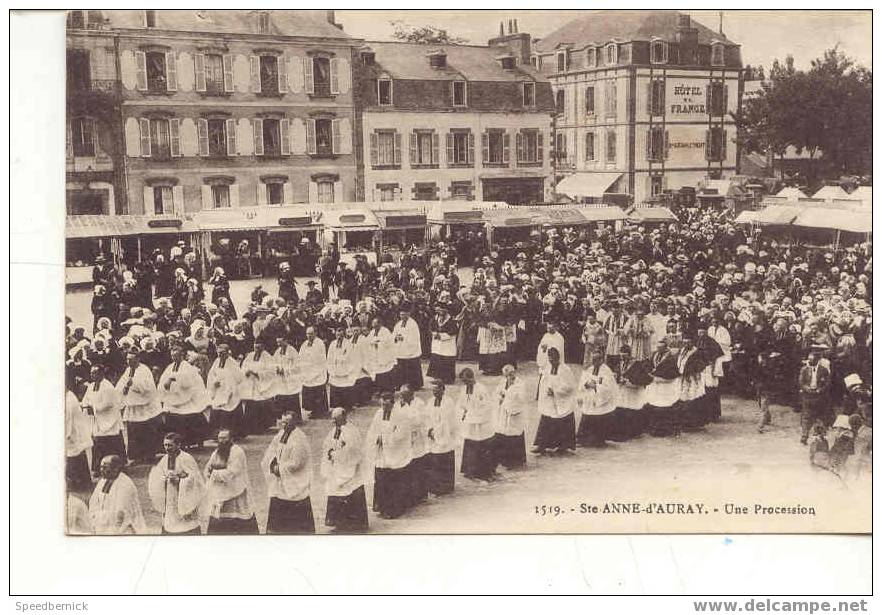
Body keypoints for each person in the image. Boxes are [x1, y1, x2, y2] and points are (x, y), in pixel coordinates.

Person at [262, 411, 315, 534]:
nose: (283, 426)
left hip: (294, 479)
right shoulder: (281, 433)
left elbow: (297, 463)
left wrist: (279, 468)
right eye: (282, 422)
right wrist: (272, 463)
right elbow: (272, 450)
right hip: (280, 478)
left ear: (294, 423)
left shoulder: (299, 439)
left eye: (287, 423)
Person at [147, 433, 205, 535]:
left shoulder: (187, 458)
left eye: (170, 445)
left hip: (183, 496)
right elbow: (158, 475)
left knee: (185, 525)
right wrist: (163, 479)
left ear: (178, 445)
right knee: (170, 522)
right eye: (165, 445)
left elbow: (196, 480)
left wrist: (179, 480)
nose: (167, 448)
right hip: (170, 496)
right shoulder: (165, 458)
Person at [366, 391, 412, 519]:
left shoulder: (401, 416)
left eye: (386, 405)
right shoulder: (378, 414)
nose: (384, 408)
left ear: (392, 403)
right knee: (381, 480)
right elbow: (372, 430)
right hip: (381, 453)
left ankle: (394, 509)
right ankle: (382, 507)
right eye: (382, 405)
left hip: (395, 453)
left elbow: (401, 434)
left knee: (393, 482)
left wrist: (385, 439)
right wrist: (377, 439)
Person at [321, 408, 369, 533]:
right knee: (335, 490)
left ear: (343, 417)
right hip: (336, 467)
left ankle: (354, 524)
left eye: (336, 419)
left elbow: (352, 451)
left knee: (349, 491)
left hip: (349, 469)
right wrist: (331, 453)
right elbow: (327, 445)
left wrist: (335, 454)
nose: (333, 421)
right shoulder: (334, 431)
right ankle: (338, 522)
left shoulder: (352, 432)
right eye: (333, 419)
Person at [204, 429, 259, 534]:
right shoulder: (217, 452)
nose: (222, 440)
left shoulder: (237, 451)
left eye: (224, 438)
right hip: (220, 489)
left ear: (231, 439)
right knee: (220, 516)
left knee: (237, 515)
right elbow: (209, 466)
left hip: (235, 488)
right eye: (220, 438)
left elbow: (234, 471)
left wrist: (214, 473)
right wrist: (209, 471)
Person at [116, 349, 162, 464]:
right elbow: (120, 385)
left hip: (145, 407)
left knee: (146, 431)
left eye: (131, 359)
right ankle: (137, 456)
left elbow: (147, 388)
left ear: (137, 359)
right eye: (127, 359)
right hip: (133, 406)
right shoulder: (128, 370)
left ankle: (149, 455)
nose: (128, 361)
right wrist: (124, 388)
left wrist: (133, 384)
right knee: (134, 432)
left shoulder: (144, 370)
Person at [158, 344, 208, 449]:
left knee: (189, 414)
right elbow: (163, 380)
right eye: (172, 356)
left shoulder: (188, 367)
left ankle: (193, 441)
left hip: (187, 398)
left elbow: (187, 382)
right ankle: (177, 442)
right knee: (171, 415)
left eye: (176, 356)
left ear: (182, 355)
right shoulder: (170, 367)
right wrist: (165, 385)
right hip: (174, 398)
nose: (174, 358)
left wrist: (172, 378)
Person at [81, 365, 126, 475]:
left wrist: (93, 407)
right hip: (98, 419)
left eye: (95, 373)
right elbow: (85, 400)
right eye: (91, 373)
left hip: (109, 417)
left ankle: (117, 465)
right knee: (97, 442)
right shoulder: (91, 386)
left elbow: (107, 404)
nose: (92, 375)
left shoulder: (108, 387)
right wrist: (86, 405)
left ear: (101, 374)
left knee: (111, 441)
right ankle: (98, 467)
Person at [88, 455, 146, 535]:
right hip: (102, 524)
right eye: (101, 467)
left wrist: (98, 517)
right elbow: (93, 503)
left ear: (116, 469)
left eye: (105, 467)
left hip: (123, 529)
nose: (101, 470)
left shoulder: (125, 485)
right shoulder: (103, 481)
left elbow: (120, 515)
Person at [532, 347, 576, 454]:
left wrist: (556, 391)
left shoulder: (565, 370)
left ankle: (563, 446)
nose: (551, 361)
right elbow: (543, 382)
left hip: (562, 400)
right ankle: (541, 445)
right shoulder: (548, 368)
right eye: (549, 358)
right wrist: (545, 392)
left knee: (562, 422)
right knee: (546, 420)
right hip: (549, 400)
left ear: (558, 358)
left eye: (553, 359)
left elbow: (570, 386)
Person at [457, 367, 496, 480]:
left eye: (466, 381)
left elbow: (488, 405)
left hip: (481, 423)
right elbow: (461, 403)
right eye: (463, 382)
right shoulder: (464, 388)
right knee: (470, 445)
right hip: (470, 423)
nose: (465, 383)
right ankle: (470, 470)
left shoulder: (481, 389)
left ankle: (484, 473)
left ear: (472, 378)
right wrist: (463, 411)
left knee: (482, 446)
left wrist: (476, 413)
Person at [608, 345, 653, 441]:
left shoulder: (637, 365)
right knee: (620, 409)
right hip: (623, 391)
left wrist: (629, 382)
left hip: (633, 392)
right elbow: (617, 373)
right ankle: (619, 431)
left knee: (631, 410)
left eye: (624, 356)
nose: (622, 358)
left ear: (629, 355)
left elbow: (644, 379)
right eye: (621, 356)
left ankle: (632, 432)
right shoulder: (619, 364)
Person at [576, 349, 617, 447]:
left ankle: (598, 440)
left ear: (601, 360)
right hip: (590, 398)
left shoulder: (606, 371)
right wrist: (586, 384)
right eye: (593, 360)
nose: (594, 362)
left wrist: (596, 387)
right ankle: (582, 438)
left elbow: (609, 388)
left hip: (600, 399)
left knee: (599, 417)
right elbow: (582, 382)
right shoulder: (590, 369)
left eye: (596, 360)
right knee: (587, 414)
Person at [425, 379, 458, 495]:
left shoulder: (448, 402)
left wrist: (437, 432)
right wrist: (429, 429)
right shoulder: (430, 402)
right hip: (433, 435)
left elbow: (446, 420)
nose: (434, 392)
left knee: (444, 460)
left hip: (445, 435)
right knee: (434, 461)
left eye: (437, 389)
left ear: (443, 389)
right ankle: (434, 486)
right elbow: (427, 417)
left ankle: (446, 486)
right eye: (433, 390)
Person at [492, 364, 528, 470]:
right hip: (503, 411)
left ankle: (515, 461)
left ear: (513, 373)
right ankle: (502, 458)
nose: (508, 377)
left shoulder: (520, 384)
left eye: (510, 374)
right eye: (506, 375)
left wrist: (508, 395)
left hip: (514, 412)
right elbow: (496, 392)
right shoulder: (503, 382)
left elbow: (522, 398)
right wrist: (500, 397)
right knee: (502, 433)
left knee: (513, 434)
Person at [206, 343, 244, 439]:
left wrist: (229, 387)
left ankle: (232, 434)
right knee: (217, 409)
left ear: (227, 353)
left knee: (229, 408)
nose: (220, 355)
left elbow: (239, 378)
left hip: (230, 391)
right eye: (218, 353)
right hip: (219, 390)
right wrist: (215, 382)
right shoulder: (217, 361)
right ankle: (216, 434)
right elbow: (211, 375)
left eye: (222, 353)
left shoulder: (232, 363)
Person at [645, 339, 682, 437]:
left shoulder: (671, 359)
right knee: (653, 404)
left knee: (665, 406)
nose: (658, 350)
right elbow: (649, 365)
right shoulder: (654, 355)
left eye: (661, 348)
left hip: (666, 385)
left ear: (665, 348)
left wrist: (658, 377)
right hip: (655, 384)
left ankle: (666, 429)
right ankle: (653, 428)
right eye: (657, 348)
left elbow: (671, 373)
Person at [399, 384, 429, 505]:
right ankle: (409, 494)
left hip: (417, 439)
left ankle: (420, 495)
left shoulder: (419, 404)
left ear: (411, 394)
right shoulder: (399, 404)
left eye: (405, 395)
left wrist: (406, 418)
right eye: (401, 395)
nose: (402, 398)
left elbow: (418, 420)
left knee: (418, 466)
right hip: (406, 439)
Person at [240, 339, 277, 434]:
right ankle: (251, 427)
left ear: (263, 347)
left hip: (262, 384)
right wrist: (246, 372)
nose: (256, 349)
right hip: (251, 383)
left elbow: (271, 371)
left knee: (262, 404)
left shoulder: (268, 357)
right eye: (255, 347)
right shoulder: (250, 356)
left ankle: (263, 426)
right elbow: (244, 366)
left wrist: (258, 374)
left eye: (259, 347)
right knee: (251, 404)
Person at [799, 345, 832, 444]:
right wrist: (807, 389)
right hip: (807, 396)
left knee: (819, 416)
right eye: (808, 359)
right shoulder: (804, 369)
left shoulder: (824, 370)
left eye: (811, 360)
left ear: (817, 360)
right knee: (806, 416)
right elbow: (801, 382)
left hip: (819, 396)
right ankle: (804, 436)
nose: (809, 361)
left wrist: (820, 390)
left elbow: (828, 383)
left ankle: (818, 435)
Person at [65, 372, 93, 491]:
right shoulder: (67, 396)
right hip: (73, 431)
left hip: (75, 432)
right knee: (73, 455)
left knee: (75, 455)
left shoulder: (70, 400)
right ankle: (78, 482)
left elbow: (68, 419)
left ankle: (80, 483)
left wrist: (67, 434)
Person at [299, 326, 329, 419]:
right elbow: (301, 356)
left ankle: (319, 410)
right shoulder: (304, 344)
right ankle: (312, 409)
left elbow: (320, 358)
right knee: (309, 391)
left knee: (318, 391)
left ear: (315, 333)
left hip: (317, 370)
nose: (309, 336)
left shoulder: (320, 343)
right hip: (307, 370)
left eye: (311, 333)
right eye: (307, 334)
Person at [392, 305, 424, 391]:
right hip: (401, 349)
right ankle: (400, 383)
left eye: (404, 314)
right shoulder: (398, 324)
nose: (402, 316)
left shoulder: (413, 324)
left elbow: (415, 337)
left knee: (411, 368)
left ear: (408, 314)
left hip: (411, 350)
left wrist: (404, 338)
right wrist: (395, 337)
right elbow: (394, 334)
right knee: (400, 367)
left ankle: (414, 384)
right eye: (401, 315)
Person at [327, 326, 356, 410]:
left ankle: (347, 406)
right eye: (337, 334)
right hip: (335, 370)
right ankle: (337, 405)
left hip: (345, 369)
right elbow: (329, 357)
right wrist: (331, 369)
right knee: (335, 386)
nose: (339, 336)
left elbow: (351, 357)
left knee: (345, 386)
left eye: (341, 334)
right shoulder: (332, 344)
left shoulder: (348, 344)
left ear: (344, 335)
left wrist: (343, 361)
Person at [273, 335, 302, 420]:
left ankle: (294, 418)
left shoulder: (292, 351)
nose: (279, 345)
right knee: (281, 395)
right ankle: (283, 418)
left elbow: (297, 366)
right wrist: (277, 368)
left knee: (291, 397)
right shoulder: (278, 351)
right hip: (281, 379)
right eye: (277, 342)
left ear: (286, 341)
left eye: (281, 342)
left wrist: (285, 370)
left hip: (290, 379)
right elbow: (274, 362)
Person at [366, 316, 398, 394]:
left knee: (385, 372)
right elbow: (368, 340)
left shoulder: (385, 331)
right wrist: (372, 343)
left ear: (380, 324)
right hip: (376, 354)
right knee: (377, 372)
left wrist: (378, 343)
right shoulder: (372, 331)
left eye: (375, 324)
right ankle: (379, 389)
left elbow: (388, 342)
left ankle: (388, 389)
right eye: (373, 324)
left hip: (384, 355)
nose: (374, 325)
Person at [427, 305, 458, 384]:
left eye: (443, 310)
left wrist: (441, 336)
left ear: (446, 311)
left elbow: (453, 331)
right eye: (440, 310)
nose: (441, 312)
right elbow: (431, 327)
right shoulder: (435, 318)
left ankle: (447, 379)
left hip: (448, 344)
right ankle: (437, 378)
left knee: (446, 360)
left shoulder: (451, 320)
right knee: (437, 358)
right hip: (437, 343)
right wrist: (434, 334)